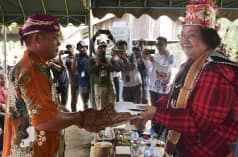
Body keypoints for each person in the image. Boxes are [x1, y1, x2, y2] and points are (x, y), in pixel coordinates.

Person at [3, 14, 134, 157]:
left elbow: (52, 107)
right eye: (54, 38)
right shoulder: (32, 69)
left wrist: (78, 120)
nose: (59, 43)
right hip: (34, 151)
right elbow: (45, 120)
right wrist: (82, 117)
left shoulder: (34, 65)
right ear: (37, 39)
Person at [134, 1, 238, 157]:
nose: (184, 41)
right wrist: (148, 109)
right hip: (185, 148)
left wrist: (155, 113)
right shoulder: (191, 64)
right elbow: (172, 98)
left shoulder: (216, 71)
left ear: (208, 38)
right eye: (182, 35)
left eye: (192, 35)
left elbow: (197, 122)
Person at [72, 40, 90, 110]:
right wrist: (74, 58)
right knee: (85, 103)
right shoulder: (78, 58)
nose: (82, 49)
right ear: (78, 49)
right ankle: (87, 118)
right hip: (83, 84)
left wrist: (88, 58)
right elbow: (73, 69)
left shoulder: (91, 57)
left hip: (93, 83)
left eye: (83, 47)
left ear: (86, 48)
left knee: (95, 102)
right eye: (80, 48)